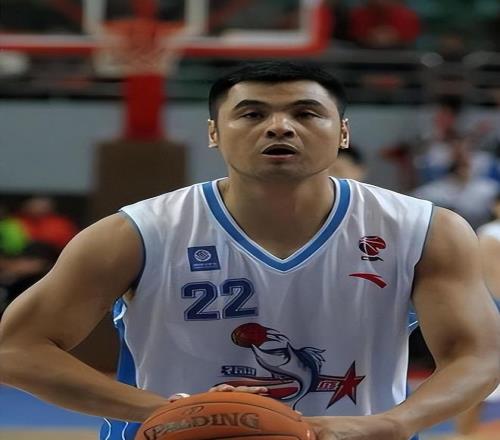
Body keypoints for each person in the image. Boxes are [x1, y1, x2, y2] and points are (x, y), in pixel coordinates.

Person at [0, 62, 499, 440]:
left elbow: (480, 354)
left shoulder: (423, 229)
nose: (280, 126)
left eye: (306, 113)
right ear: (214, 134)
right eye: (253, 114)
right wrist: (168, 411)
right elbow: (16, 349)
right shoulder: (136, 233)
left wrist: (395, 422)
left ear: (343, 132)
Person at [456, 192, 500, 436]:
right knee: (483, 380)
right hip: (494, 309)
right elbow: (493, 279)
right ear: (495, 206)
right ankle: (464, 433)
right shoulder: (490, 233)